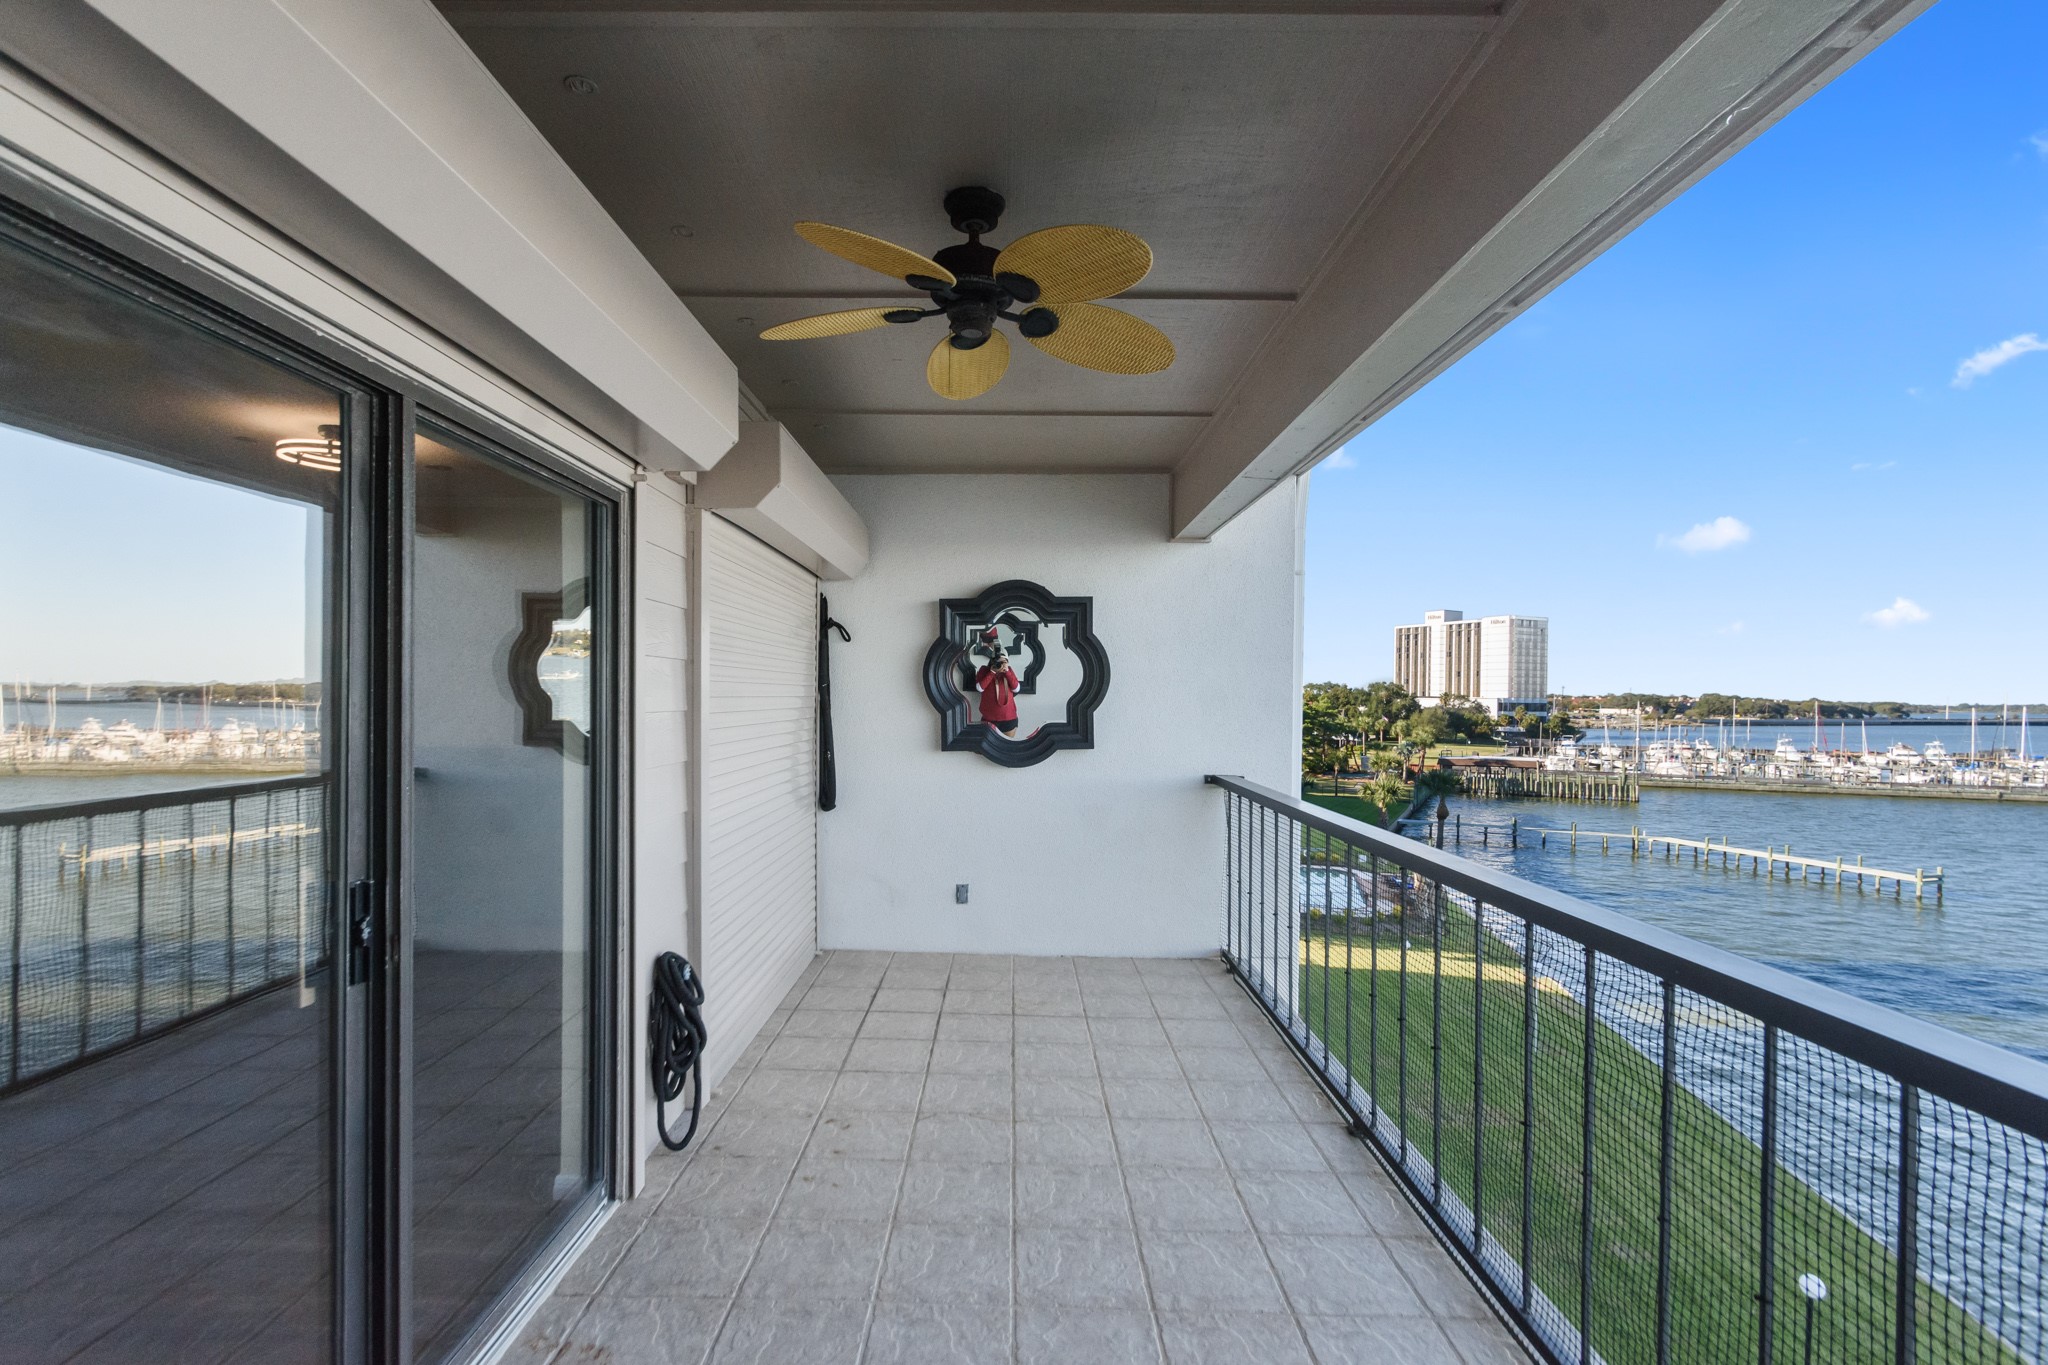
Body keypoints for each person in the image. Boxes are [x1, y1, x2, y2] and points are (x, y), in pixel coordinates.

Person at [974, 647, 1021, 736]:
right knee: (987, 748)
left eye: (1004, 662)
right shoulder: (984, 670)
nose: (1000, 664)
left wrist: (1006, 672)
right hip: (989, 718)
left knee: (1007, 747)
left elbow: (1016, 688)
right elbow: (980, 688)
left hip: (1009, 718)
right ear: (992, 661)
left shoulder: (1009, 671)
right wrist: (992, 672)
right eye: (998, 662)